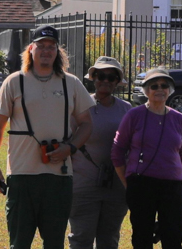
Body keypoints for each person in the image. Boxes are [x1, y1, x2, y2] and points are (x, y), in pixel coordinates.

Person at [0, 25, 94, 249]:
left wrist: (70, 148)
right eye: (41, 46)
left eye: (51, 46)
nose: (46, 50)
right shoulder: (14, 81)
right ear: (31, 49)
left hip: (59, 178)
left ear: (57, 51)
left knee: (54, 243)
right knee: (19, 243)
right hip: (21, 175)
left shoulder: (71, 83)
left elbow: (86, 124)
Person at [112, 66, 182, 249]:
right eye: (154, 86)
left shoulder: (178, 118)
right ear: (146, 90)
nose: (160, 89)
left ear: (170, 89)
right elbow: (117, 151)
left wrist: (172, 172)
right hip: (141, 184)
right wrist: (128, 182)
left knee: (173, 237)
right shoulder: (134, 115)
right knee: (142, 237)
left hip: (171, 187)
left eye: (164, 85)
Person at [69, 56, 130, 249]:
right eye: (101, 76)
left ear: (117, 82)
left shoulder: (126, 109)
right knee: (81, 239)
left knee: (109, 240)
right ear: (93, 78)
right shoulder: (79, 106)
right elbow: (67, 143)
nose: (105, 80)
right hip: (83, 185)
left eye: (111, 77)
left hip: (116, 187)